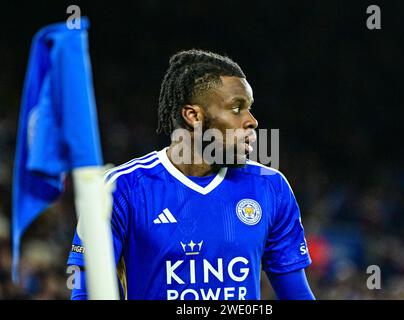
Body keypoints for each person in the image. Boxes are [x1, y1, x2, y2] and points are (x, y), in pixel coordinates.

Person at [68, 49, 315, 300]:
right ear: (193, 116)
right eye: (237, 108)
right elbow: (85, 294)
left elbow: (297, 295)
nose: (252, 121)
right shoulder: (121, 189)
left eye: (249, 108)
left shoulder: (270, 188)